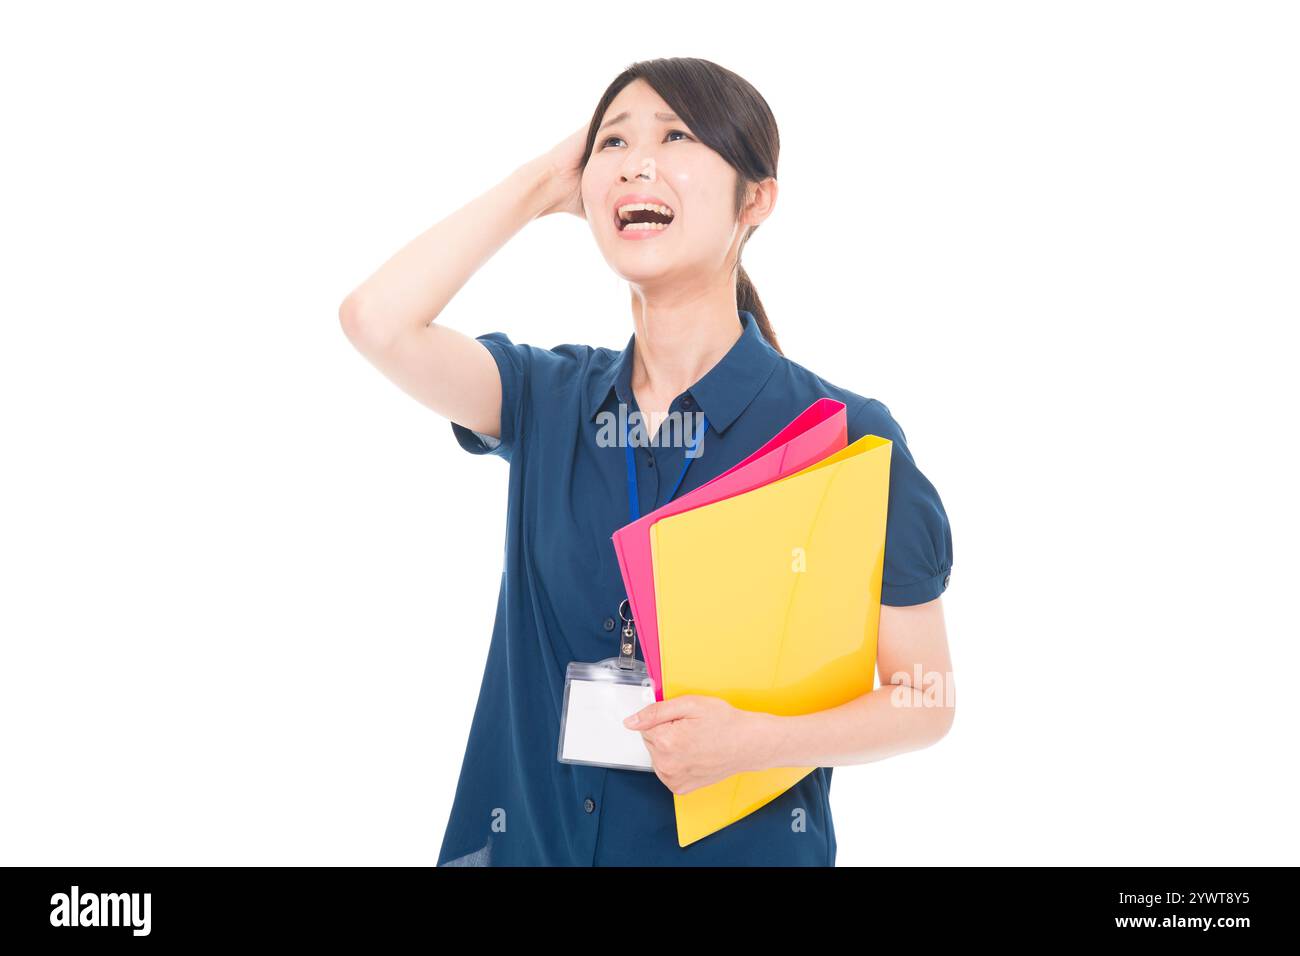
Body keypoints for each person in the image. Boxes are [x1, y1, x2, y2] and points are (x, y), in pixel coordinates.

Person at [340, 57, 955, 866]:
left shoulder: (841, 436)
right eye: (614, 142)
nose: (638, 160)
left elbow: (923, 699)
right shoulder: (547, 398)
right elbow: (377, 321)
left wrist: (758, 742)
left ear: (755, 199)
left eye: (676, 136)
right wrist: (536, 188)